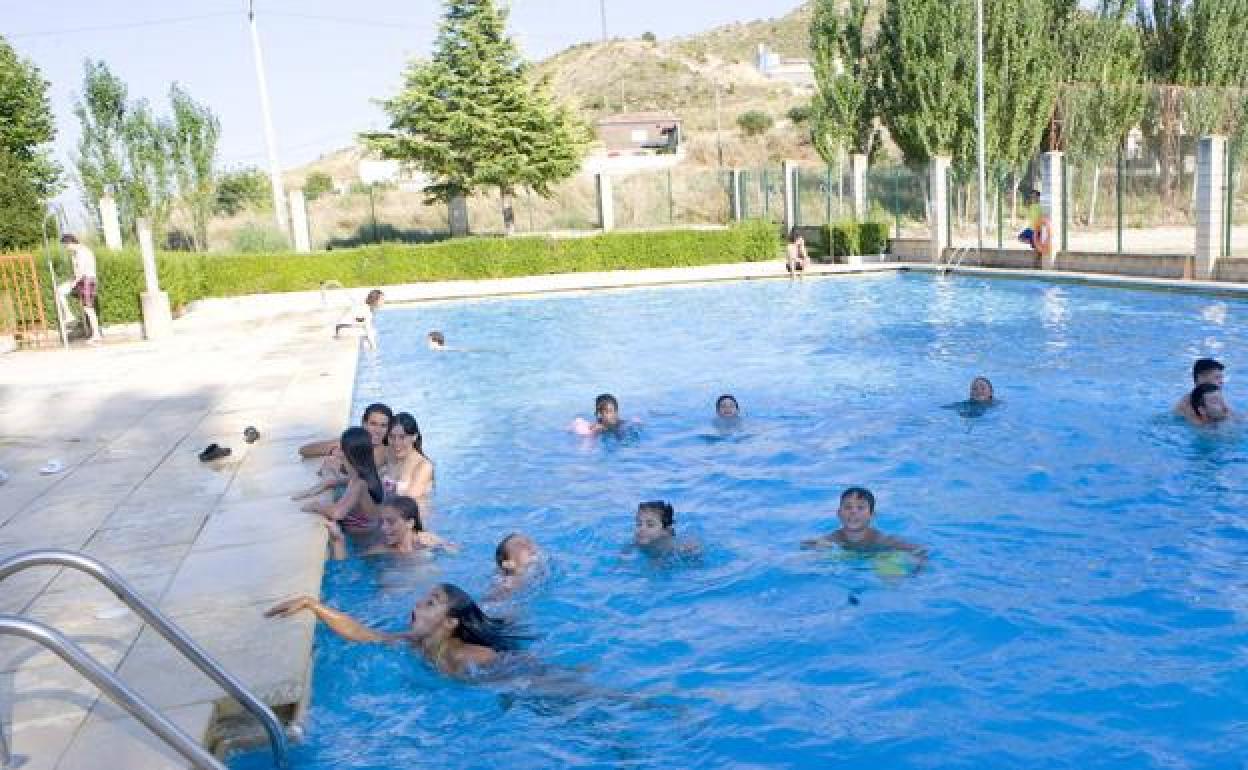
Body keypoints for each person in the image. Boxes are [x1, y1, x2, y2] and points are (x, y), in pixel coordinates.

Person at [265, 583, 527, 676]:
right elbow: (364, 634)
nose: (418, 604)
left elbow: (518, 676)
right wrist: (312, 604)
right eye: (424, 599)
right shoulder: (415, 641)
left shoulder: (466, 656)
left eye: (431, 603)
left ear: (450, 623)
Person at [801, 487, 927, 565]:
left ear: (872, 515)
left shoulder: (880, 539)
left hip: (877, 557)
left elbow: (918, 550)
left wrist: (918, 567)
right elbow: (805, 545)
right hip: (846, 561)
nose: (853, 512)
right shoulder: (834, 538)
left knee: (888, 564)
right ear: (839, 514)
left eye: (860, 507)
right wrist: (816, 545)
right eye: (848, 507)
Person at [301, 426, 385, 534]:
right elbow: (346, 481)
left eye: (340, 448)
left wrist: (316, 506)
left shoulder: (359, 483)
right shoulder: (368, 475)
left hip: (362, 538)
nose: (336, 450)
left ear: (348, 454)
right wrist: (330, 482)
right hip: (368, 531)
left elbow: (338, 513)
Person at [324, 495, 454, 560]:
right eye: (382, 522)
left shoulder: (427, 541)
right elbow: (344, 570)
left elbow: (455, 552)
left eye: (391, 522)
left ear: (410, 523)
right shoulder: (380, 551)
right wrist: (338, 541)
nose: (383, 528)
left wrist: (441, 546)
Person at [297, 402, 393, 462]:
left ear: (389, 427)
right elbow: (303, 450)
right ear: (364, 424)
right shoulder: (353, 442)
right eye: (373, 424)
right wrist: (333, 450)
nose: (378, 430)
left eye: (383, 425)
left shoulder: (391, 449)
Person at [58, 234, 102, 344]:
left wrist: (74, 282)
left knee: (88, 309)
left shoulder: (83, 252)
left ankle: (96, 334)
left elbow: (82, 270)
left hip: (87, 280)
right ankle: (69, 315)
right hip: (81, 280)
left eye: (66, 246)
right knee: (60, 291)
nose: (66, 248)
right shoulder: (76, 253)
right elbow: (77, 271)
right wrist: (73, 280)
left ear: (70, 243)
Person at [384, 412, 435, 500]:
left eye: (402, 437)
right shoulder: (387, 455)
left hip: (413, 508)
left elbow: (409, 501)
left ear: (414, 437)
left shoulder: (423, 466)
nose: (396, 443)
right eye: (392, 436)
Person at [633, 501, 700, 558]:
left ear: (666, 530)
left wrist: (690, 550)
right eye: (639, 524)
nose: (641, 529)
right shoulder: (638, 542)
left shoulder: (671, 546)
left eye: (650, 525)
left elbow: (693, 548)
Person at [487, 533, 543, 600]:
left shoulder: (522, 569)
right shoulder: (508, 584)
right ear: (510, 564)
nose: (531, 549)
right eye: (530, 554)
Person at [571, 393, 635, 437]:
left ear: (616, 411)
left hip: (619, 431)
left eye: (613, 411)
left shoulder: (621, 424)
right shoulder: (598, 424)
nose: (612, 415)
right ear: (600, 414)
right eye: (607, 412)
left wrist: (604, 428)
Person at [1017, 189, 1051, 263]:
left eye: (1034, 196)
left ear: (1038, 197)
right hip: (1030, 228)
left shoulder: (1041, 206)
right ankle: (1034, 243)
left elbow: (1044, 218)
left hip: (1037, 229)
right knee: (1020, 237)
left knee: (1037, 251)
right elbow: (1029, 216)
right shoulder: (1031, 206)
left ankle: (1037, 259)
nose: (1033, 198)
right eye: (1032, 197)